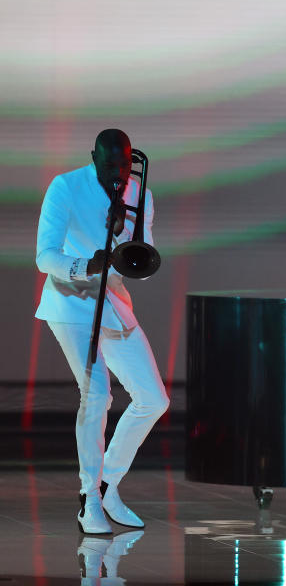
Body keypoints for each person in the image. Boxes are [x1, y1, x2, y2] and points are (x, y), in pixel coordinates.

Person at [35, 129, 169, 535]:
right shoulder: (66, 186)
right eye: (110, 165)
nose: (119, 173)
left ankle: (107, 482)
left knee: (153, 398)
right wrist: (86, 265)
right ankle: (88, 497)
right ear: (93, 158)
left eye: (125, 166)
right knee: (96, 393)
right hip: (71, 300)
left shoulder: (139, 194)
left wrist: (122, 240)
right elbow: (45, 257)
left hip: (111, 301)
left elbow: (139, 265)